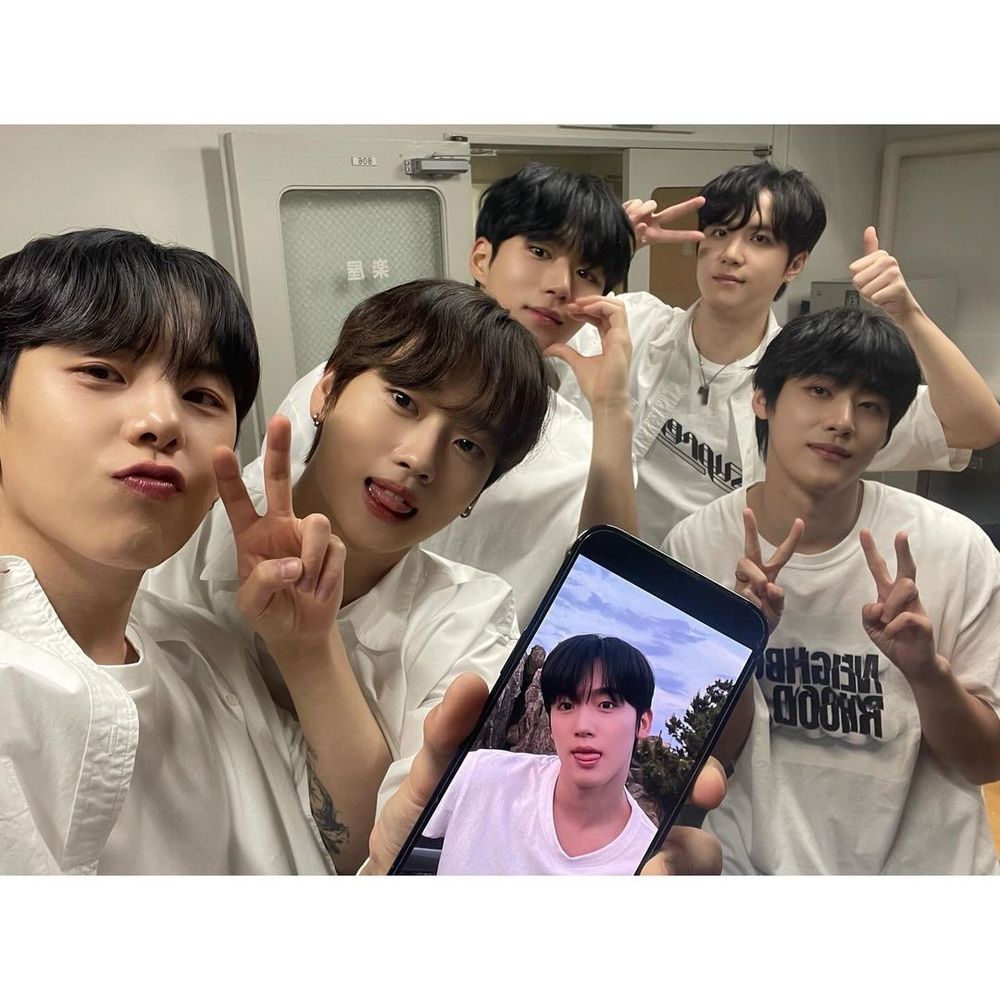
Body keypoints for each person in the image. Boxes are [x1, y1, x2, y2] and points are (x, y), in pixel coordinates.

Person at [147, 278, 552, 857]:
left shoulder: (469, 621)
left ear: (480, 491)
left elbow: (371, 854)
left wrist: (309, 651)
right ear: (328, 390)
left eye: (469, 446)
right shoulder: (180, 525)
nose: (420, 459)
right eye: (404, 400)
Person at [263, 163, 703, 625]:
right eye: (539, 250)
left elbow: (612, 598)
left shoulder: (582, 451)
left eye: (586, 272)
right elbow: (267, 494)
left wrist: (612, 409)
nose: (560, 285)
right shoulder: (375, 375)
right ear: (480, 258)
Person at [663, 307, 1000, 874]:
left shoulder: (954, 549)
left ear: (887, 432)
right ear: (763, 399)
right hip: (754, 871)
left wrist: (927, 673)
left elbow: (985, 762)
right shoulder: (697, 545)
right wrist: (738, 642)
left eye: (870, 406)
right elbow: (706, 756)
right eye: (819, 391)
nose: (843, 421)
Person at [562, 161, 1000, 544]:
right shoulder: (629, 324)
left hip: (721, 591)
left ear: (795, 264)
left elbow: (975, 427)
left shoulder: (811, 384)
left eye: (759, 239)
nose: (731, 254)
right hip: (597, 570)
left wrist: (909, 314)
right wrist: (607, 247)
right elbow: (529, 328)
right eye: (719, 233)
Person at [420, 634, 659, 874]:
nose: (583, 726)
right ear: (551, 721)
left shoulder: (648, 864)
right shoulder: (480, 775)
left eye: (606, 705)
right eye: (566, 705)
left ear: (643, 723)